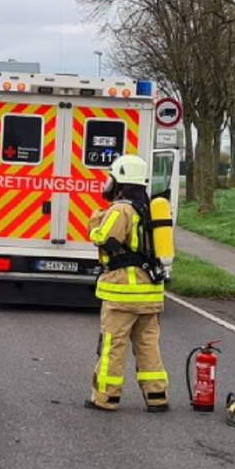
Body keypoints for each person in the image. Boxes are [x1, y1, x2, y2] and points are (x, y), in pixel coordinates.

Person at [85, 154, 170, 412]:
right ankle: (157, 397)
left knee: (113, 345)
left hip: (123, 293)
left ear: (120, 180)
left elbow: (102, 236)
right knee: (148, 345)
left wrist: (96, 218)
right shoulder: (149, 208)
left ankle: (105, 398)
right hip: (150, 292)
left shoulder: (121, 209)